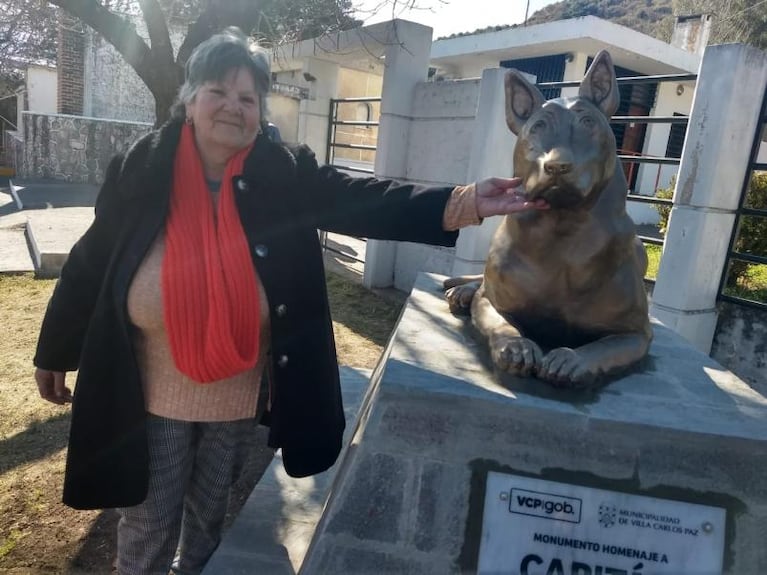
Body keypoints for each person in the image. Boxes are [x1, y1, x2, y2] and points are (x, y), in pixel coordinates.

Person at [33, 28, 547, 575]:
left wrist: (462, 201)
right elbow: (92, 260)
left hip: (235, 391)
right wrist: (55, 348)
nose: (233, 107)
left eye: (248, 97)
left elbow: (359, 200)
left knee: (207, 517)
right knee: (147, 522)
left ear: (259, 110)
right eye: (218, 91)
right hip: (149, 387)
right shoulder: (140, 167)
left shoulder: (282, 170)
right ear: (189, 99)